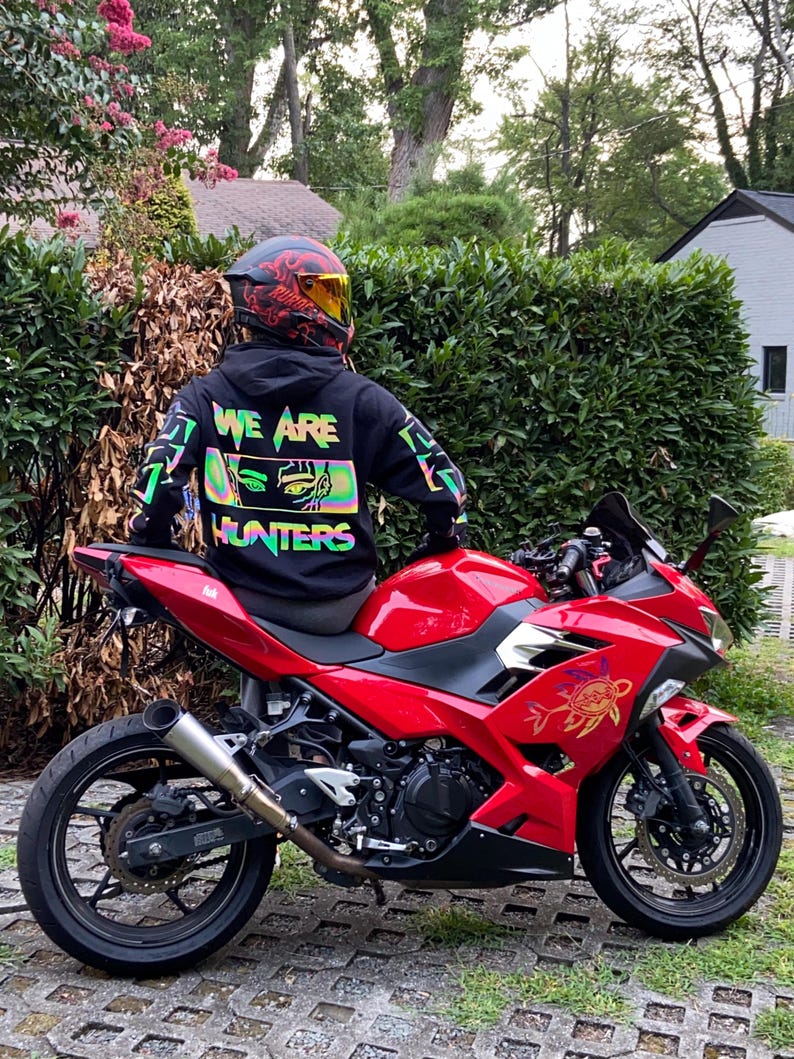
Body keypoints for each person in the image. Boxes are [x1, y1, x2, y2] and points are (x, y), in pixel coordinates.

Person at [128, 235, 467, 636]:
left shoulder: (203, 396)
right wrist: (442, 540)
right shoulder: (365, 401)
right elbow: (445, 486)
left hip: (238, 602)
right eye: (326, 295)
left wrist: (153, 540)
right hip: (338, 606)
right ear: (296, 306)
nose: (335, 308)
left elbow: (157, 479)